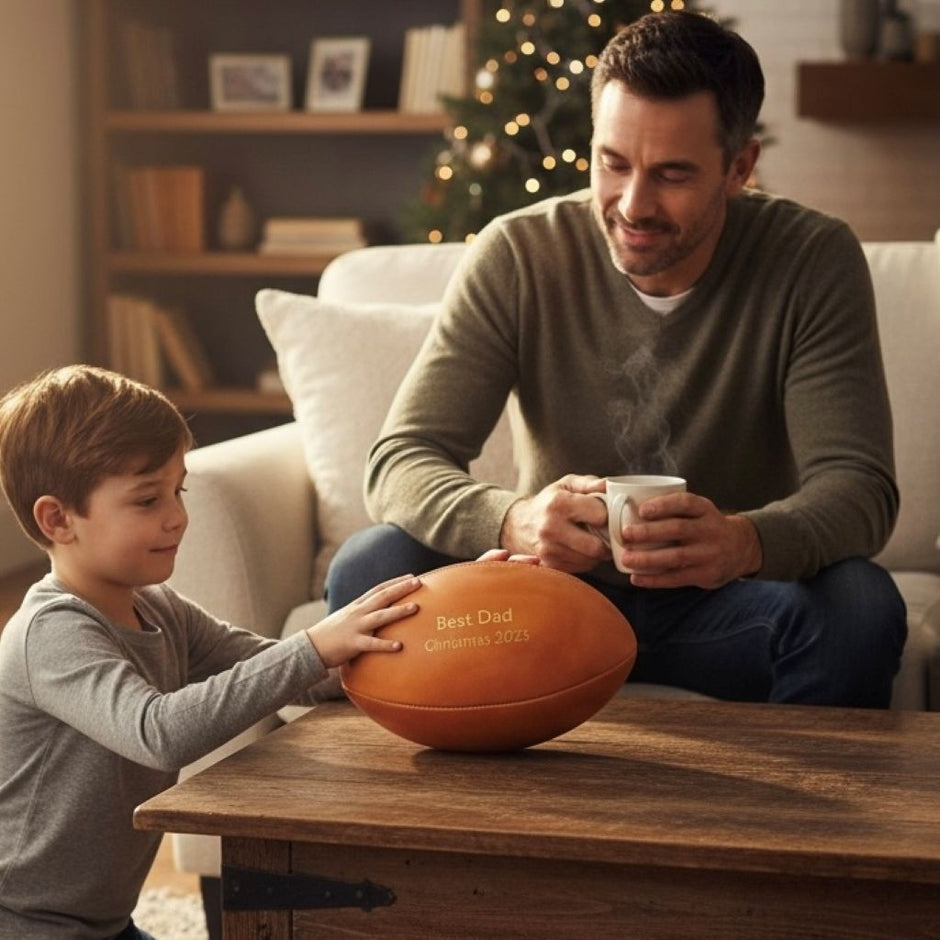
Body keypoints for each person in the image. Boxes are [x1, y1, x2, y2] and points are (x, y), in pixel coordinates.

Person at [326, 11, 907, 708]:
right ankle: (403, 817)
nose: (633, 204)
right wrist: (514, 520)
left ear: (740, 168)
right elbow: (401, 459)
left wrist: (744, 542)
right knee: (373, 566)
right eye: (613, 162)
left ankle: (783, 818)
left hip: (727, 607)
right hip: (543, 604)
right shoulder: (520, 254)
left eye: (672, 174)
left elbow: (859, 488)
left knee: (860, 606)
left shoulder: (810, 260)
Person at [0, 365, 424, 939]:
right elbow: (159, 732)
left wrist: (408, 636)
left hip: (102, 922)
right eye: (147, 499)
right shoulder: (49, 633)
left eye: (178, 490)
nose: (176, 516)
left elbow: (279, 671)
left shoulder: (158, 607)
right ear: (58, 519)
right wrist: (312, 646)